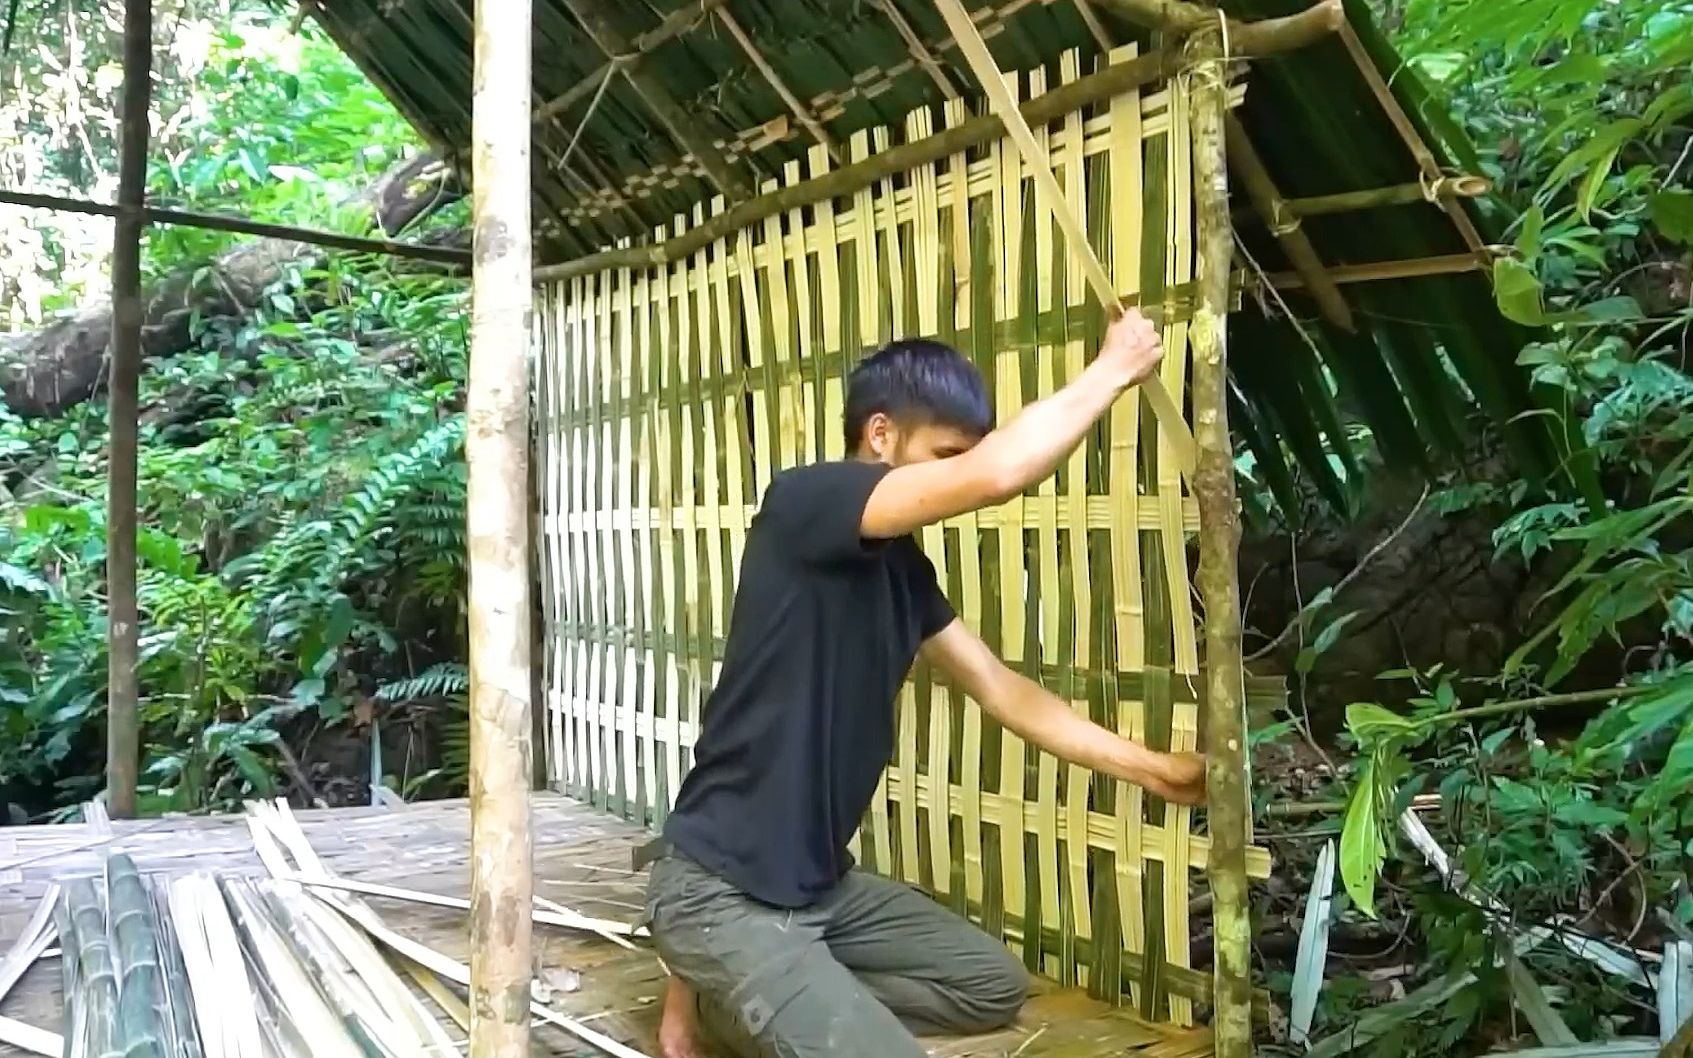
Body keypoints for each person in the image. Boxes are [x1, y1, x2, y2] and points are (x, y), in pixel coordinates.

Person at [641, 308, 1206, 1058]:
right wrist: (1112, 369)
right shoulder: (804, 502)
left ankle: (745, 1004)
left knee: (988, 987)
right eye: (940, 455)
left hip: (818, 891)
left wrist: (1151, 768)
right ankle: (748, 993)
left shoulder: (904, 573)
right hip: (718, 896)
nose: (950, 475)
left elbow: (1002, 690)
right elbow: (996, 473)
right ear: (880, 435)